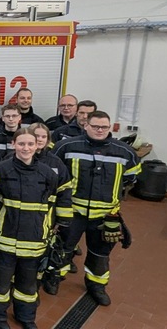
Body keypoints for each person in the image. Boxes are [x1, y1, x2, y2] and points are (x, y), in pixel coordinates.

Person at [0, 128, 72, 329]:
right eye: (22, 144)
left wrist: (60, 223)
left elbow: (59, 199)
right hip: (5, 236)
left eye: (30, 144)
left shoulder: (48, 173)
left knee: (28, 283)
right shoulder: (0, 169)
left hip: (34, 238)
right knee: (0, 281)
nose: (26, 148)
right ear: (13, 144)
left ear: (37, 145)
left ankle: (25, 316)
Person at [52, 111, 140, 306]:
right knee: (62, 248)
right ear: (86, 125)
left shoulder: (125, 152)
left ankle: (96, 286)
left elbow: (131, 177)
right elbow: (54, 173)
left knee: (100, 254)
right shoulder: (66, 147)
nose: (100, 130)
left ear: (109, 127)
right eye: (95, 126)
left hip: (106, 215)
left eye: (104, 127)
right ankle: (54, 277)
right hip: (72, 212)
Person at [29, 123, 77, 294]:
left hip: (47, 216)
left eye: (43, 136)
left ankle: (41, 281)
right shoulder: (15, 158)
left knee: (45, 251)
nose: (40, 139)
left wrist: (61, 220)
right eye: (36, 136)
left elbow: (65, 191)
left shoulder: (56, 163)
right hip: (22, 215)